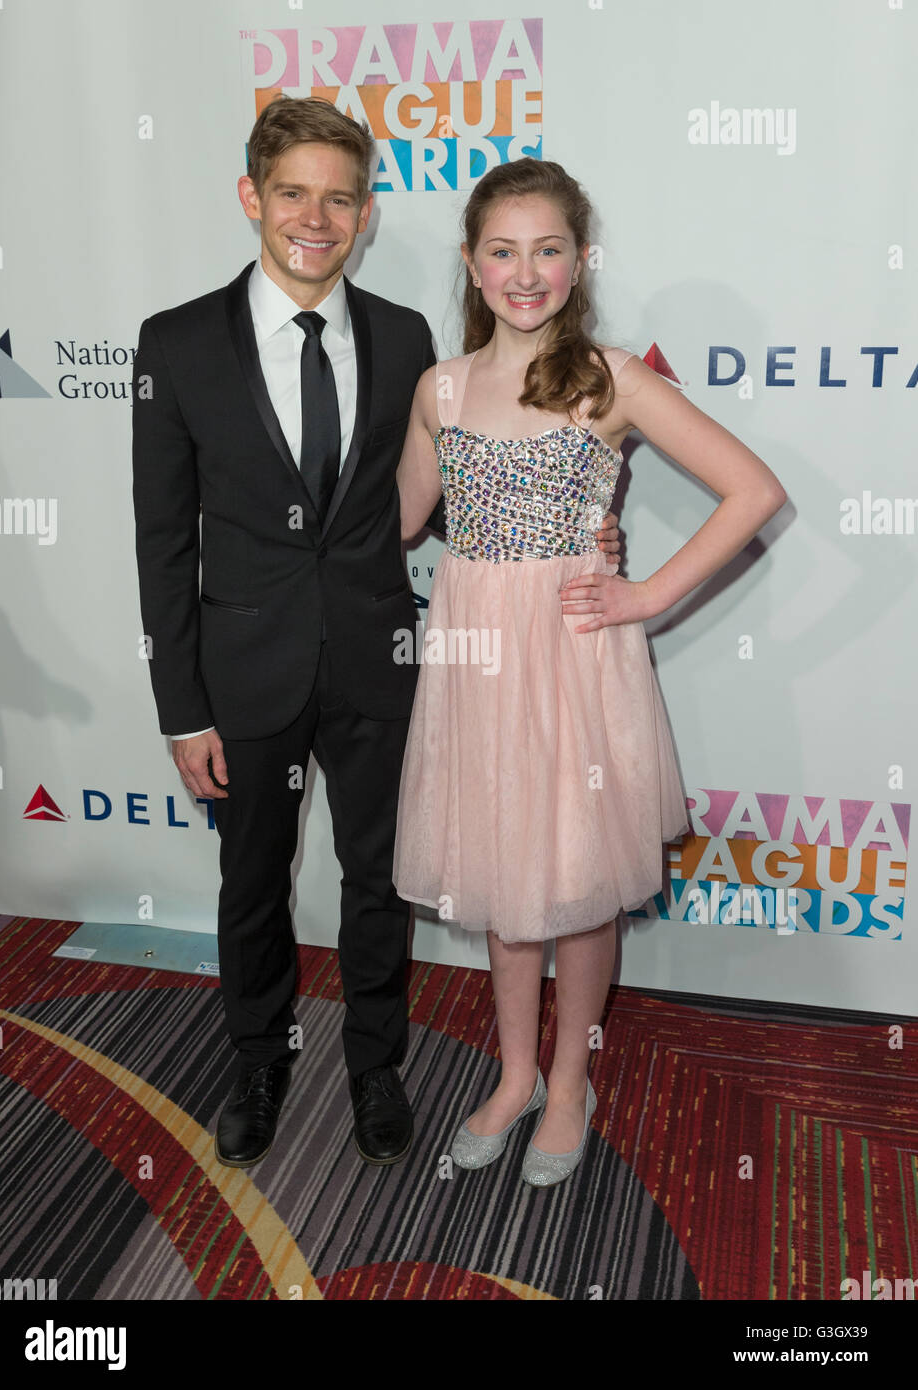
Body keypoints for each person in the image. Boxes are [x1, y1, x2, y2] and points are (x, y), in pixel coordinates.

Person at [131, 100, 621, 1170]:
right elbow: (162, 543)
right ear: (252, 197)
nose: (316, 216)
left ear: (364, 213)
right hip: (242, 670)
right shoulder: (174, 343)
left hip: (380, 662)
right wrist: (182, 709)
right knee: (251, 881)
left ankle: (375, 1065)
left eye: (339, 196)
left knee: (377, 880)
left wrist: (578, 522)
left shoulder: (404, 337)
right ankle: (257, 1061)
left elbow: (433, 493)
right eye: (294, 192)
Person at [393, 157, 787, 1188]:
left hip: (572, 657)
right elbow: (390, 521)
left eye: (548, 250)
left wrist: (645, 592)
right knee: (501, 873)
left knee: (574, 880)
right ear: (473, 267)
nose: (526, 273)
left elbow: (751, 489)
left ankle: (572, 1079)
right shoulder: (439, 387)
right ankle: (515, 1071)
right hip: (475, 654)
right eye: (503, 251)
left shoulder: (608, 377)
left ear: (578, 261)